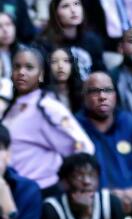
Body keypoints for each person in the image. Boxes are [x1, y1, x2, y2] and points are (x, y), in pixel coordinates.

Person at [2, 46, 93, 189]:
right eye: (17, 67)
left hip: (42, 191)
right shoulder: (11, 108)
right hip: (14, 191)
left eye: (29, 67)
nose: (21, 72)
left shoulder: (48, 107)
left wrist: (62, 181)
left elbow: (83, 147)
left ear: (41, 75)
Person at [76, 70, 132, 211]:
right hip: (90, 207)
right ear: (84, 97)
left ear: (115, 95)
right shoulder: (73, 129)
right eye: (94, 91)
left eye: (108, 90)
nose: (102, 96)